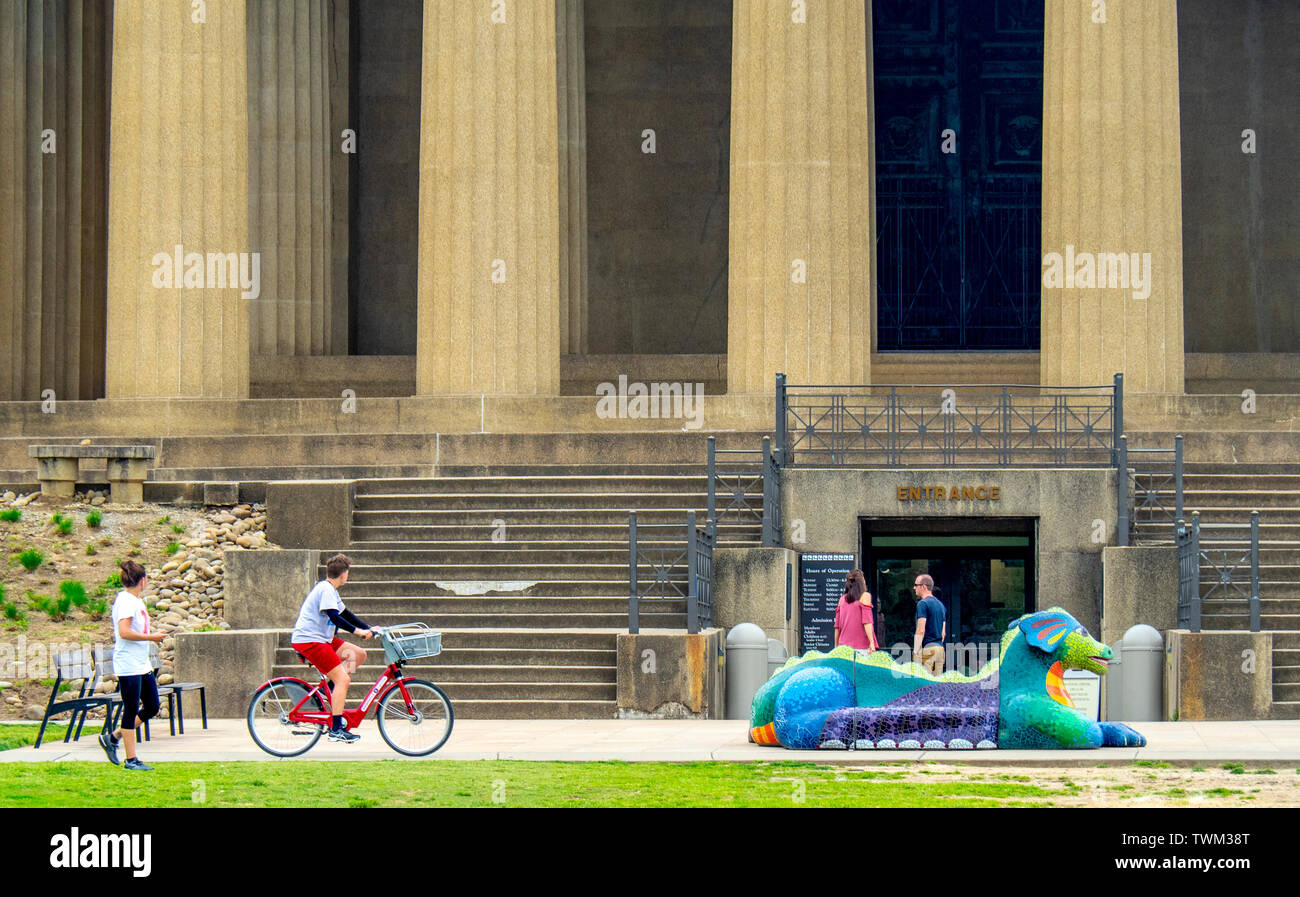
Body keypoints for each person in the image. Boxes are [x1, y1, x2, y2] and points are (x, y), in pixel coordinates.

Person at [290, 554, 376, 743]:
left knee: (359, 654)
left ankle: (325, 692)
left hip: (322, 639)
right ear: (343, 575)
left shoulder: (330, 590)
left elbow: (346, 614)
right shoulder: (326, 590)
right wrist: (357, 632)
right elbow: (335, 617)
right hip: (310, 640)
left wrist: (368, 628)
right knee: (343, 680)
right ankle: (336, 729)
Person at [98, 560, 168, 770]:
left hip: (141, 664)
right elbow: (124, 632)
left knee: (152, 706)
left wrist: (150, 638)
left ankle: (113, 737)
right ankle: (131, 760)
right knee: (130, 710)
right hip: (128, 665)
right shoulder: (126, 601)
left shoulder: (135, 601)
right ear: (143, 580)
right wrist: (151, 637)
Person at [834, 569, 878, 652]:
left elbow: (837, 626)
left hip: (842, 647)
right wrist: (872, 642)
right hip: (861, 647)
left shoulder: (842, 599)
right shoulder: (865, 596)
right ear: (861, 582)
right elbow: (867, 622)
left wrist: (836, 647)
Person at [912, 573, 946, 675]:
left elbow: (920, 630)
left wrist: (916, 651)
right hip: (940, 650)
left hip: (928, 649)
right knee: (935, 686)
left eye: (916, 585)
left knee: (924, 684)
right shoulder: (941, 605)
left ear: (924, 587)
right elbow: (943, 633)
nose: (914, 588)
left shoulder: (923, 604)